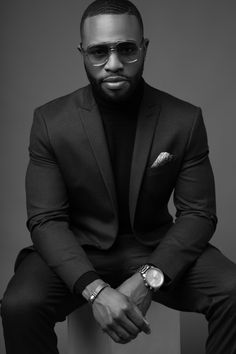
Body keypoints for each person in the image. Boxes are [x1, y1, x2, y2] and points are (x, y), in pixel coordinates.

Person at [1, 0, 236, 353]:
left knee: (234, 292)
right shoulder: (51, 122)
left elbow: (198, 214)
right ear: (82, 52)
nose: (113, 63)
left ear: (144, 48)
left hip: (155, 246)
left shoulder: (183, 120)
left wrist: (149, 277)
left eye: (126, 48)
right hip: (78, 248)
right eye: (99, 51)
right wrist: (94, 289)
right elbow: (46, 219)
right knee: (19, 306)